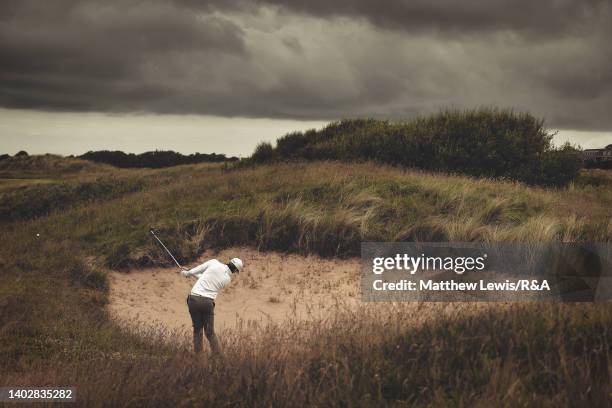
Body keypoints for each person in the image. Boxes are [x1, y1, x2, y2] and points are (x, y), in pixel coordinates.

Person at [181, 257, 243, 354]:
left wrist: (188, 273)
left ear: (229, 262)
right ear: (235, 270)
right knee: (210, 333)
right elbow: (206, 279)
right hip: (207, 304)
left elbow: (199, 270)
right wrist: (190, 273)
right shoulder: (227, 280)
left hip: (194, 300)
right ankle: (219, 358)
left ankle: (198, 358)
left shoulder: (214, 262)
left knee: (197, 330)